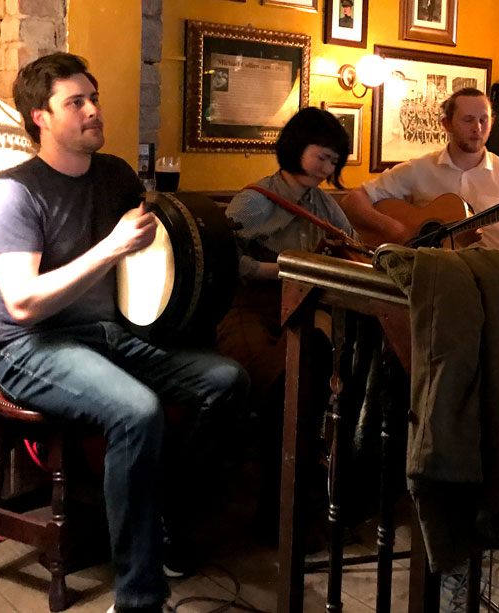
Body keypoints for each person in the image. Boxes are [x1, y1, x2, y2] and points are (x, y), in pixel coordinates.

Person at [0, 53, 249, 613]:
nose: (93, 110)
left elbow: (145, 257)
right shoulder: (12, 194)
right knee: (137, 411)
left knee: (228, 379)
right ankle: (138, 597)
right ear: (40, 118)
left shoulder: (117, 174)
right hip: (30, 347)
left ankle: (167, 512)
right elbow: (23, 303)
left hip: (108, 333)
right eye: (75, 102)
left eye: (93, 97)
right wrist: (111, 247)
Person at [215, 107, 353, 538]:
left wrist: (334, 256)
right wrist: (285, 271)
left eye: (334, 161)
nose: (327, 168)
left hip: (304, 309)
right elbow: (226, 262)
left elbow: (353, 248)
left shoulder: (324, 204)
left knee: (315, 366)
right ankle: (276, 508)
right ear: (296, 148)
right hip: (248, 309)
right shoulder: (255, 201)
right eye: (321, 156)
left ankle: (304, 500)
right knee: (284, 382)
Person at [340, 88, 499, 256]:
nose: (477, 128)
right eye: (468, 120)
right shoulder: (418, 169)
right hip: (429, 281)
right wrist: (396, 230)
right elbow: (353, 201)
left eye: (484, 120)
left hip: (490, 282)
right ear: (447, 124)